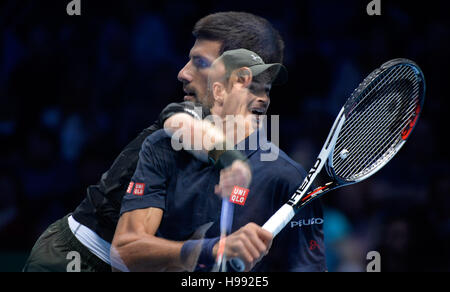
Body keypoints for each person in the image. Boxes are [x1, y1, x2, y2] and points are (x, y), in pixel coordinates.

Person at [22, 11, 302, 272]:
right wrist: (229, 159)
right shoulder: (186, 116)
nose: (183, 73)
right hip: (78, 258)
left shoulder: (268, 159)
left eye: (200, 63)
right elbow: (180, 123)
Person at [111, 48, 326, 272]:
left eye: (267, 90)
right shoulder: (162, 148)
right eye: (251, 88)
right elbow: (123, 253)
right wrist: (213, 249)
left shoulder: (287, 175)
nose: (262, 99)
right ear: (219, 91)